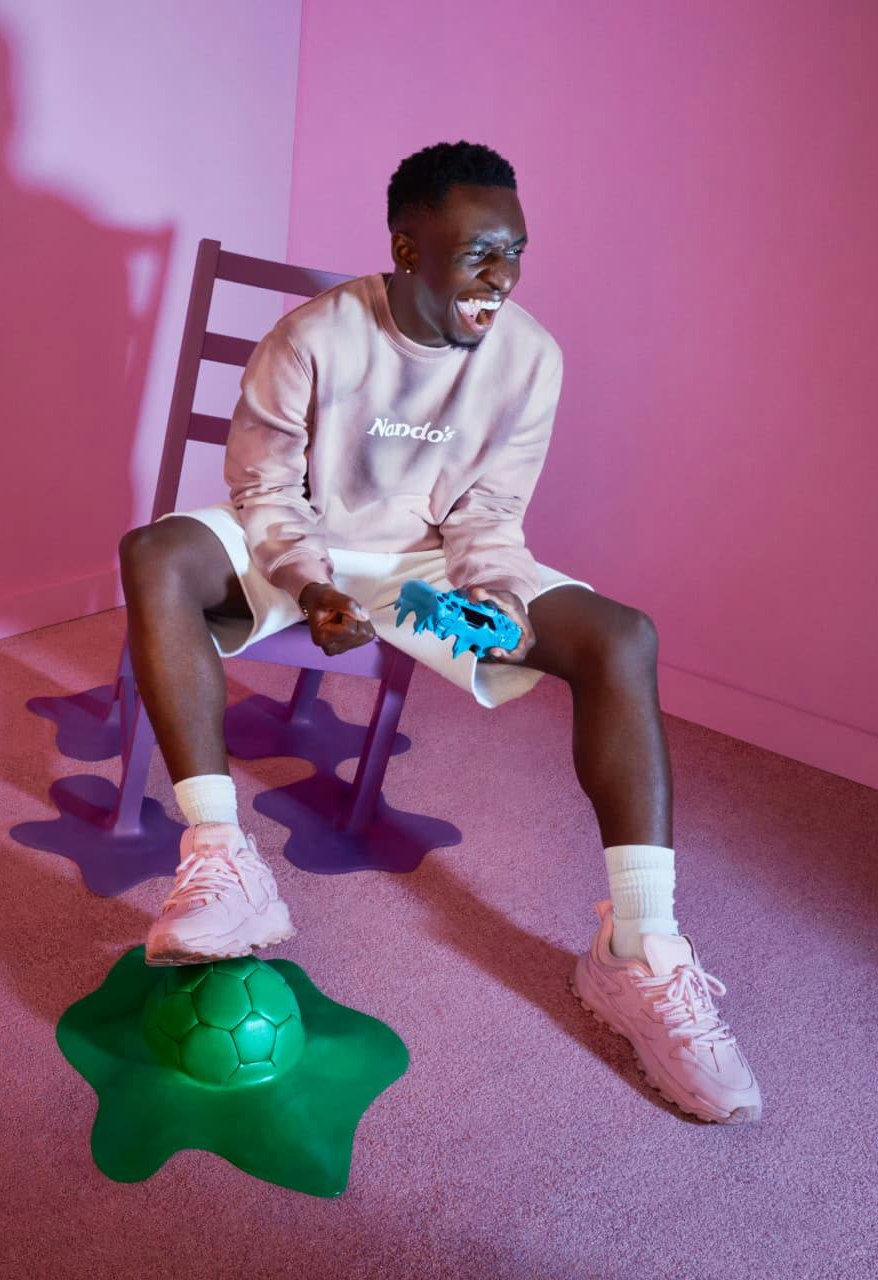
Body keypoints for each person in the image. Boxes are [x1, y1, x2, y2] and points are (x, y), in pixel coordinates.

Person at [112, 141, 762, 1124]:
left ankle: (641, 949)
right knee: (157, 552)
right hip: (296, 551)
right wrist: (311, 581)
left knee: (619, 636)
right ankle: (223, 856)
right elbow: (263, 492)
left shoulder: (529, 356)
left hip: (421, 581)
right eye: (476, 256)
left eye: (515, 253)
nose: (500, 279)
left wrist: (494, 604)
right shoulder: (314, 336)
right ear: (407, 248)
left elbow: (489, 516)